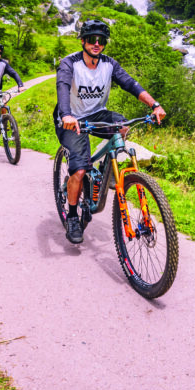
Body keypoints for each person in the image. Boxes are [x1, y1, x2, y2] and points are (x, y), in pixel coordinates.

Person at [54, 19, 166, 244]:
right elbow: (63, 87)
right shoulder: (70, 63)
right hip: (71, 120)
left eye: (101, 40)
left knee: (123, 126)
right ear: (83, 41)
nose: (97, 44)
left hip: (97, 114)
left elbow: (130, 84)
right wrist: (66, 114)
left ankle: (107, 170)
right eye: (92, 39)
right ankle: (74, 217)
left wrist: (154, 105)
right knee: (78, 170)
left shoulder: (109, 64)